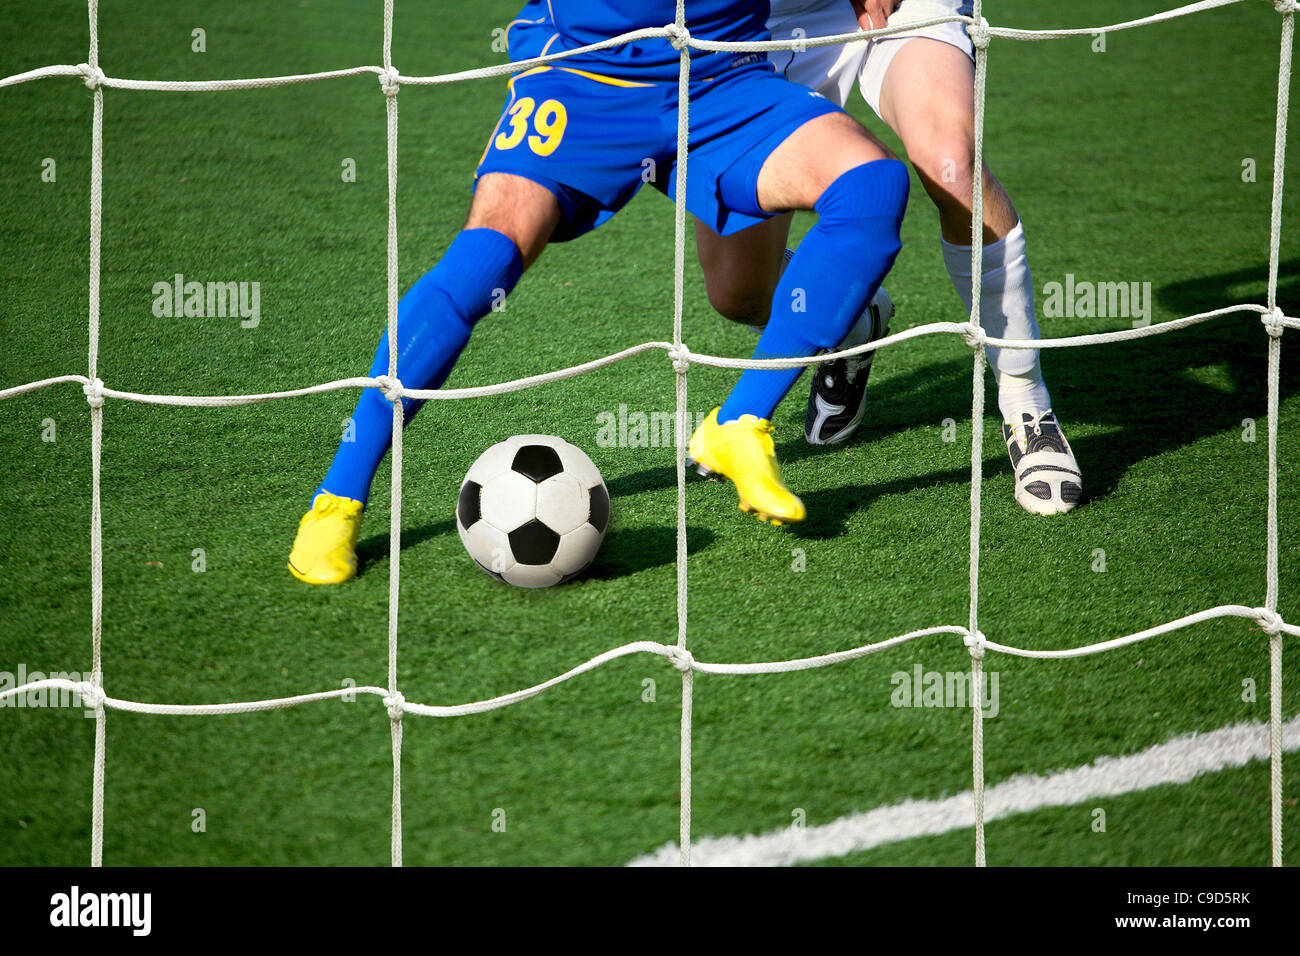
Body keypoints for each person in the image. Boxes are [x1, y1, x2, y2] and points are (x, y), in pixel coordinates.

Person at [288, 0, 911, 584]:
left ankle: (739, 422)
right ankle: (338, 498)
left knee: (870, 186)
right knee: (481, 266)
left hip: (722, 75)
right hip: (585, 71)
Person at [696, 0, 1082, 514]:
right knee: (738, 291)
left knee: (951, 163)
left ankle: (1026, 402)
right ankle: (852, 319)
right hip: (753, 19)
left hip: (896, 6)